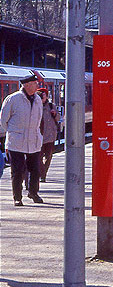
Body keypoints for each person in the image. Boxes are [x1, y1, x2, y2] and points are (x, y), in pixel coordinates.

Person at [0, 75, 45, 206]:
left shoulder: (37, 99)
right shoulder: (13, 99)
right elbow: (3, 120)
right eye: (34, 83)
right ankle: (17, 197)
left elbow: (39, 118)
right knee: (17, 170)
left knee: (36, 169)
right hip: (16, 141)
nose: (37, 85)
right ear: (26, 85)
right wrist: (14, 132)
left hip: (34, 140)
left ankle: (33, 192)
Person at [37, 88, 60, 183]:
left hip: (50, 135)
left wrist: (55, 115)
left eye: (44, 95)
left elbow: (59, 118)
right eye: (41, 96)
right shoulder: (35, 106)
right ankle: (42, 173)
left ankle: (43, 174)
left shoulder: (51, 106)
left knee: (49, 156)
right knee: (38, 156)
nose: (43, 97)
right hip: (39, 136)